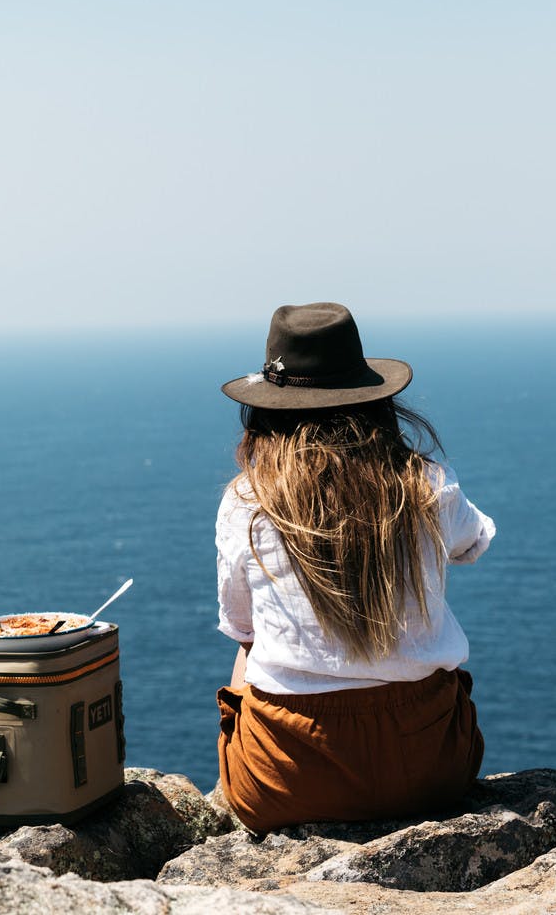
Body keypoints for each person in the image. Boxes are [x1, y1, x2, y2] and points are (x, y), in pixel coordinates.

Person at [216, 302, 495, 834]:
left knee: (247, 645)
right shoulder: (426, 484)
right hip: (430, 766)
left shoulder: (247, 501)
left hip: (287, 782)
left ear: (268, 409)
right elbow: (474, 542)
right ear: (374, 400)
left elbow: (241, 626)